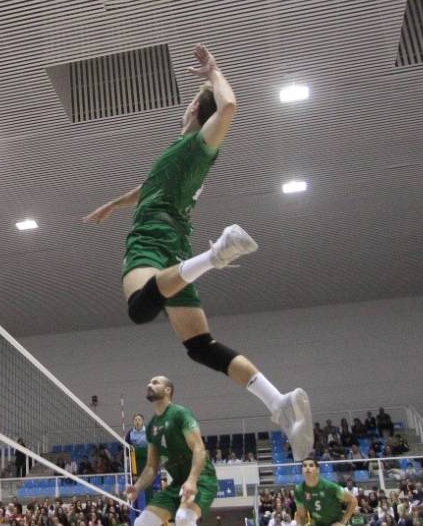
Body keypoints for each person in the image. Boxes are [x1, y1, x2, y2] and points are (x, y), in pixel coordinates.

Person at [83, 45, 313, 461]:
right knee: (201, 345)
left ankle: (215, 256)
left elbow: (229, 107)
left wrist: (214, 72)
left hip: (153, 242)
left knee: (139, 307)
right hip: (174, 249)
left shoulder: (194, 149)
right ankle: (278, 402)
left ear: (193, 108)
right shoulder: (178, 150)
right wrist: (114, 205)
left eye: (192, 101)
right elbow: (150, 186)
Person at [125, 375, 224, 526]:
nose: (150, 384)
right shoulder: (151, 427)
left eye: (156, 382)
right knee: (142, 525)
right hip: (176, 480)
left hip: (201, 477)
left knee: (183, 520)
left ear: (168, 390)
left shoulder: (180, 414)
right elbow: (151, 467)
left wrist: (192, 480)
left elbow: (199, 448)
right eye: (148, 382)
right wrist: (137, 487)